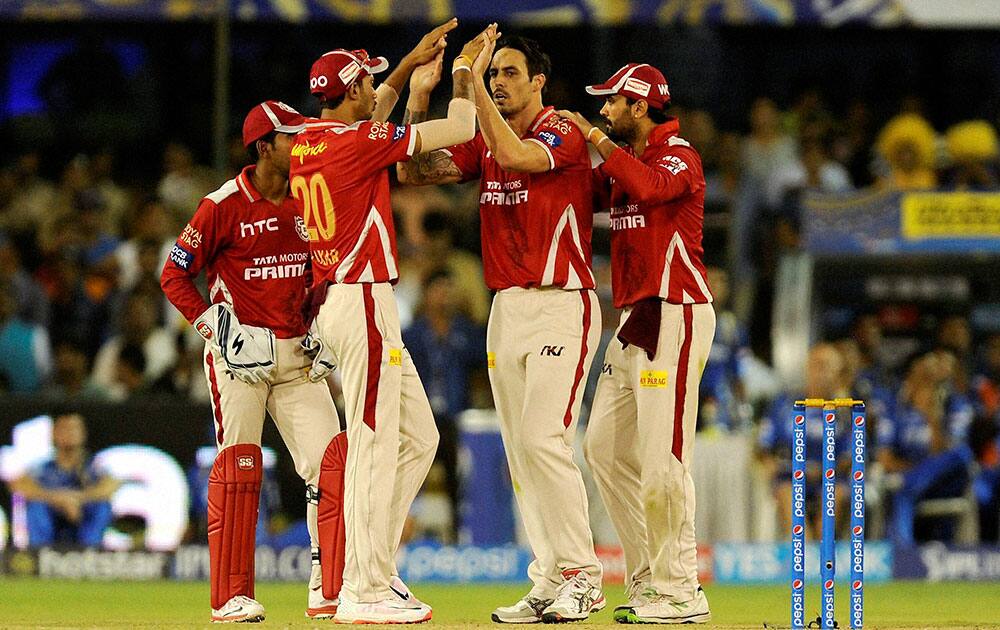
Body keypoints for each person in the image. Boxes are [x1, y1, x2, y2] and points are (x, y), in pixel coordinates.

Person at [397, 30, 605, 623]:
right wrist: (423, 95)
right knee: (522, 451)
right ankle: (548, 578)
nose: (498, 82)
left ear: (539, 81)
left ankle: (582, 576)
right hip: (506, 308)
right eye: (494, 74)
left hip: (560, 301)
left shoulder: (561, 131)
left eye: (508, 72)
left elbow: (516, 156)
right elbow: (414, 172)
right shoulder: (486, 142)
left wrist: (469, 84)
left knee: (545, 439)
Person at [289, 20, 485, 624]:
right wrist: (461, 74)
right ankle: (364, 589)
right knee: (373, 446)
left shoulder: (306, 143)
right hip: (362, 301)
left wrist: (402, 69)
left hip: (349, 304)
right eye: (366, 83)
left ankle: (370, 566)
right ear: (352, 92)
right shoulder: (355, 143)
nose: (373, 89)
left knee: (417, 439)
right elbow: (459, 129)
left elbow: (372, 112)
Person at [160, 101, 343, 623]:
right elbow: (175, 275)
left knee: (334, 464)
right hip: (240, 358)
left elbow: (323, 271)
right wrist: (213, 326)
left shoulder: (309, 200)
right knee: (239, 468)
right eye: (291, 139)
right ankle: (230, 596)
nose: (301, 146)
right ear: (264, 147)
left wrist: (323, 320)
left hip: (295, 356)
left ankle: (329, 584)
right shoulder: (220, 204)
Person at [557, 63, 715, 623]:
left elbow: (652, 189)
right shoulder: (627, 164)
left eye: (611, 104)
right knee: (602, 447)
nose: (602, 112)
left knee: (663, 459)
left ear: (640, 106)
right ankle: (649, 575)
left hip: (676, 312)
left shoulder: (679, 156)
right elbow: (581, 190)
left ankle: (680, 590)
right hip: (634, 319)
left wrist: (595, 140)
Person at [8, 412, 119, 547]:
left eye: (74, 428)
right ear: (53, 433)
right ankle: (40, 552)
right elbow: (19, 485)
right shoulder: (42, 468)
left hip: (82, 518)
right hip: (52, 519)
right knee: (36, 506)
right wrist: (58, 499)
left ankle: (91, 551)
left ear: (83, 433)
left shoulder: (95, 466)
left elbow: (111, 486)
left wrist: (76, 499)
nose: (69, 433)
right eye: (64, 428)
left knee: (102, 506)